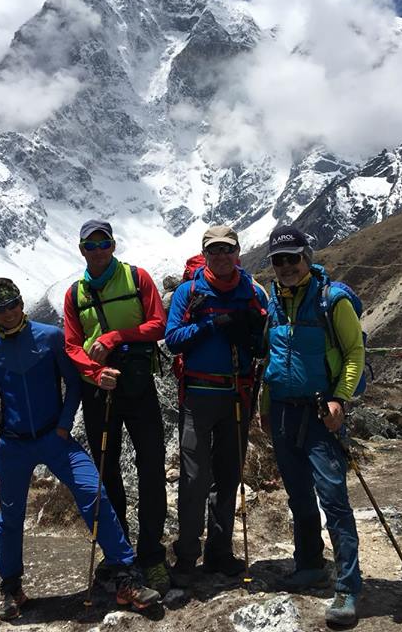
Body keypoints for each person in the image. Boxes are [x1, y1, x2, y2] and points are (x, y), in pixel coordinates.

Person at [0, 278, 159, 621]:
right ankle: (11, 588)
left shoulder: (50, 337)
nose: (9, 312)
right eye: (0, 309)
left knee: (95, 493)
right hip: (13, 444)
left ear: (21, 302)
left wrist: (63, 424)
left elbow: (73, 383)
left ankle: (125, 576)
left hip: (53, 438)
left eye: (12, 304)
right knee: (10, 518)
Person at [259, 225, 366, 625]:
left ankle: (347, 587)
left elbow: (355, 352)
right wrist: (266, 408)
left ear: (307, 257)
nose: (286, 266)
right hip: (284, 412)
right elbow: (271, 360)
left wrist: (341, 398)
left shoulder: (331, 300)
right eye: (278, 260)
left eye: (293, 258)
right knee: (298, 495)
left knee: (333, 497)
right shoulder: (274, 302)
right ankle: (308, 563)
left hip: (323, 412)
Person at [63, 220, 170, 594]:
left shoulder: (137, 278)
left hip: (138, 385)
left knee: (152, 467)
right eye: (90, 246)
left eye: (103, 243)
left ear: (112, 244)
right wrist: (95, 370)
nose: (97, 251)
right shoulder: (74, 294)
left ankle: (153, 554)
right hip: (99, 390)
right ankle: (119, 553)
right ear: (82, 250)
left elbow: (159, 324)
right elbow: (72, 344)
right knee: (107, 473)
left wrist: (114, 336)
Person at [164, 225, 267, 586]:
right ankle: (188, 555)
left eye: (227, 250)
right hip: (198, 396)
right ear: (205, 254)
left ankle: (219, 553)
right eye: (214, 250)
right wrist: (212, 325)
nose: (221, 256)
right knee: (193, 478)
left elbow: (266, 343)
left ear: (237, 252)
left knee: (227, 477)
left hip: (237, 395)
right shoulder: (188, 292)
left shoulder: (253, 291)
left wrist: (252, 336)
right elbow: (173, 339)